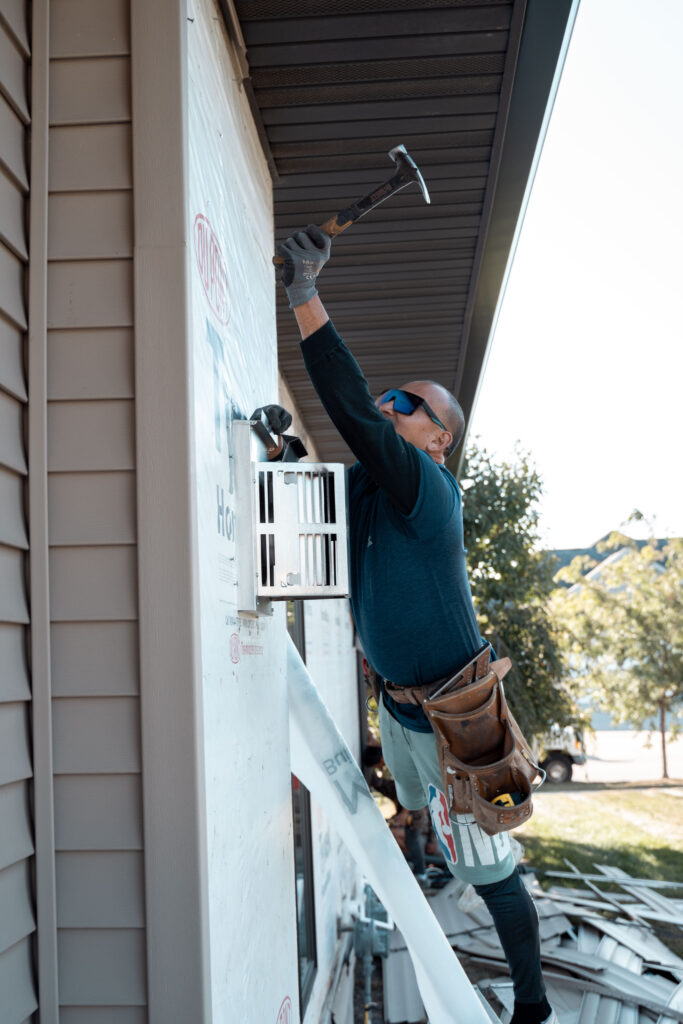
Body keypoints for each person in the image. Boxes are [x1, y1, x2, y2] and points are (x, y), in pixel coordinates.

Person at [275, 226, 556, 1024]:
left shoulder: (428, 491)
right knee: (418, 809)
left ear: (437, 440)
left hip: (469, 716)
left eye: (406, 405)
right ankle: (429, 824)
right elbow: (318, 506)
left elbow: (351, 415)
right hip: (401, 710)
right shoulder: (368, 489)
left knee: (496, 867)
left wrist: (304, 295)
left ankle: (532, 1010)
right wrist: (285, 458)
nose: (387, 406)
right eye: (390, 396)